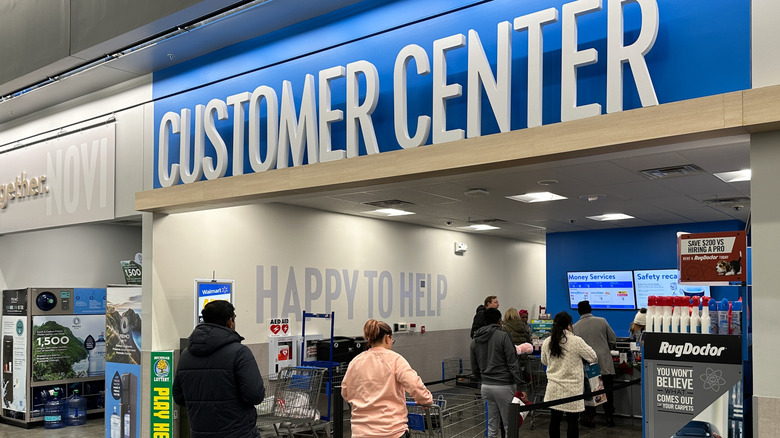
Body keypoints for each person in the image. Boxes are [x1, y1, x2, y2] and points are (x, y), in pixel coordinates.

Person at [173, 300, 265, 438]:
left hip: (199, 433)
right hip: (238, 432)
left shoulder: (186, 354)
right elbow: (255, 395)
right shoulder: (240, 353)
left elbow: (179, 397)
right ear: (229, 322)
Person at [342, 319, 433, 438]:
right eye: (392, 340)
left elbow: (346, 392)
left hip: (360, 432)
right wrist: (426, 400)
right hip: (391, 431)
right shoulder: (395, 360)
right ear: (387, 338)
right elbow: (414, 384)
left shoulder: (356, 362)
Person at [470, 308, 528, 438]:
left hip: (486, 387)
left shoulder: (475, 340)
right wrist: (522, 386)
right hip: (504, 386)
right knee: (509, 426)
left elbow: (474, 368)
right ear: (499, 321)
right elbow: (513, 363)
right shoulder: (503, 336)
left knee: (491, 426)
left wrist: (484, 378)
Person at [541, 311, 597, 438]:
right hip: (572, 390)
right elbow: (593, 356)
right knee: (572, 422)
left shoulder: (547, 341)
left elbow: (544, 361)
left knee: (554, 421)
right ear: (569, 325)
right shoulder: (576, 341)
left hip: (554, 388)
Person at [572, 300, 617, 428]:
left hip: (589, 366)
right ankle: (609, 418)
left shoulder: (575, 327)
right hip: (605, 363)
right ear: (591, 309)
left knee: (591, 394)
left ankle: (591, 419)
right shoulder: (602, 321)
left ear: (579, 311)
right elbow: (612, 339)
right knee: (608, 392)